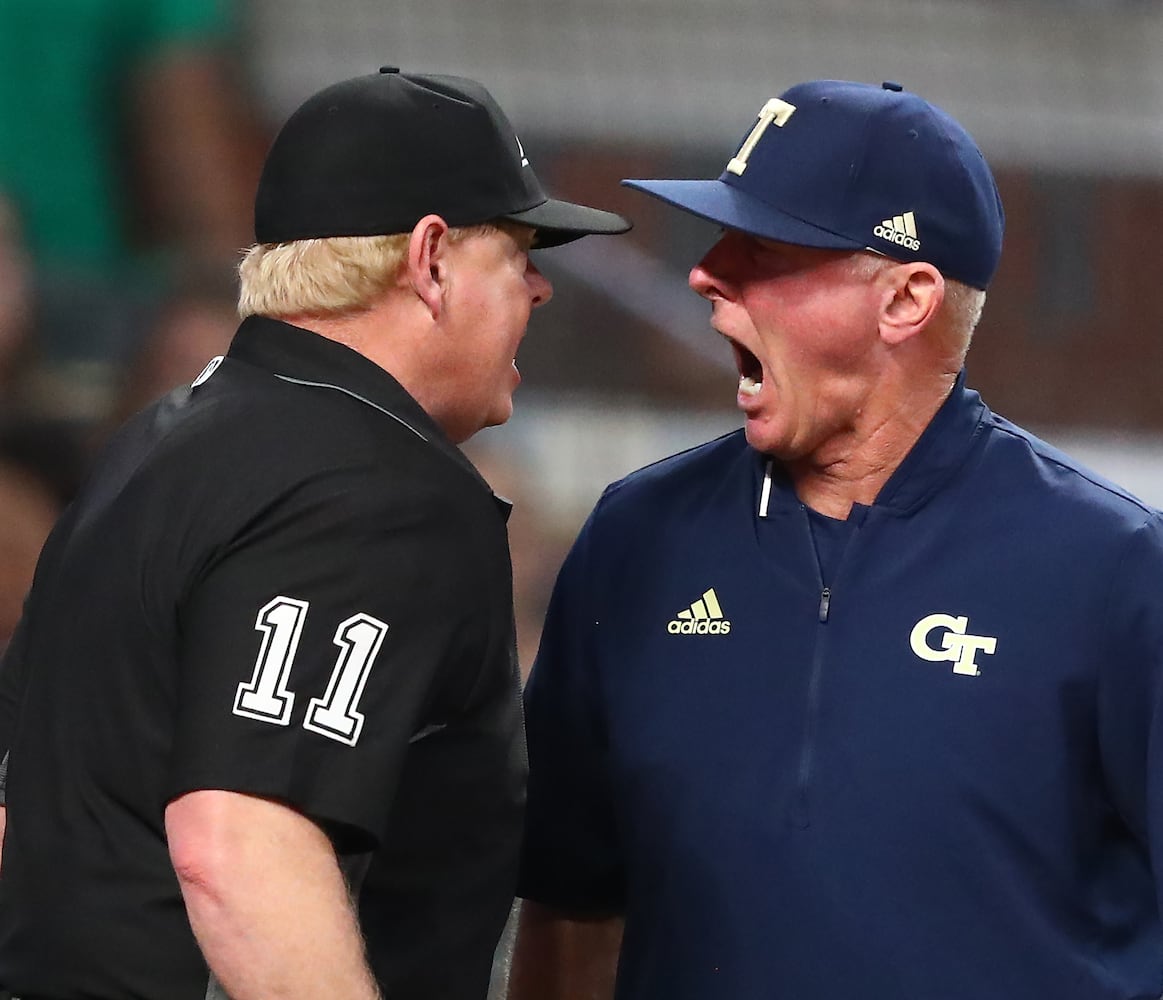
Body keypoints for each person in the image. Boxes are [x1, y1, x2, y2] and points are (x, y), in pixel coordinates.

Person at [511, 80, 1163, 1000]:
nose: (704, 273)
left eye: (764, 252)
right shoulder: (637, 538)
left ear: (905, 300)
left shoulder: (1110, 569)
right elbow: (572, 900)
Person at [0, 67, 628, 1000]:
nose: (538, 288)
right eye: (519, 252)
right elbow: (242, 844)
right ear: (430, 259)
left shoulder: (163, 440)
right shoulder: (374, 487)